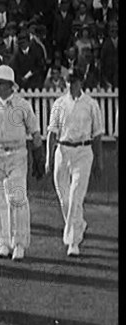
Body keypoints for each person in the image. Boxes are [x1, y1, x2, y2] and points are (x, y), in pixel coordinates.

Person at [0, 65, 45, 261]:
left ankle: (20, 244)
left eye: (0, 83)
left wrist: (39, 156)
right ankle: (4, 244)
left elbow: (35, 132)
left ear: (10, 86)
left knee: (17, 197)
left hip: (17, 154)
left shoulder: (23, 106)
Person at [46, 68, 104, 256]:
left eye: (75, 81)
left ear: (81, 82)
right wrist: (48, 158)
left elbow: (97, 135)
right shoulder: (59, 104)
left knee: (75, 196)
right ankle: (79, 223)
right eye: (69, 81)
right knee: (65, 197)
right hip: (63, 151)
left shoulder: (91, 104)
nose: (71, 85)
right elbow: (52, 133)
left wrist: (99, 161)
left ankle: (72, 241)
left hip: (83, 152)